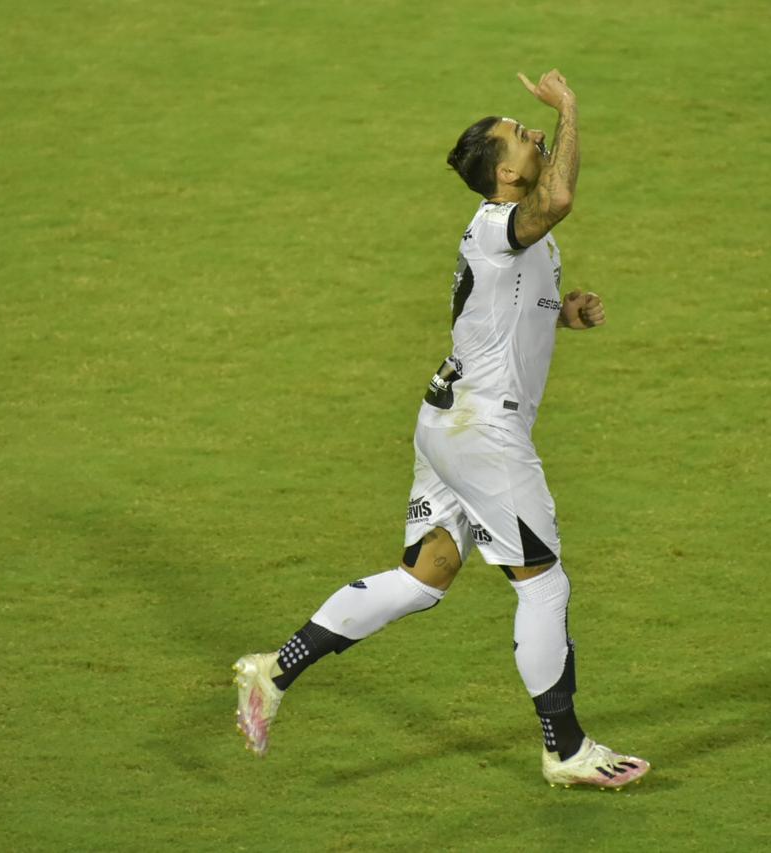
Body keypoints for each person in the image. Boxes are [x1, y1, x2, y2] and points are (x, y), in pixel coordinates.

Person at [233, 69, 650, 790]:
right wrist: (573, 108)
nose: (533, 130)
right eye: (519, 135)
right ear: (506, 174)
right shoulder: (502, 225)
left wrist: (564, 313)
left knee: (425, 577)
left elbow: (504, 309)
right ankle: (565, 746)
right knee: (544, 584)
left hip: (446, 421)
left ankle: (273, 668)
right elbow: (562, 197)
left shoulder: (515, 239)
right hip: (483, 432)